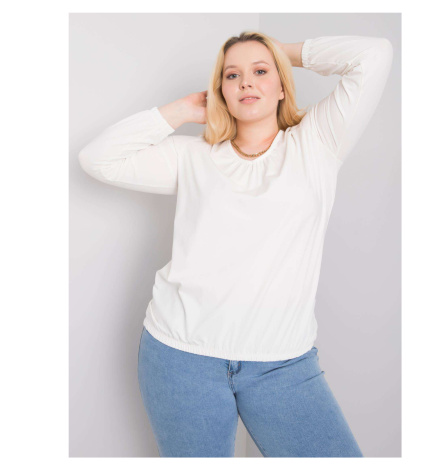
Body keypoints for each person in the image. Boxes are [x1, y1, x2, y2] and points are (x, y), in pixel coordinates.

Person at [78, 31, 393, 457]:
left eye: (260, 71)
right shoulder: (193, 156)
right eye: (232, 75)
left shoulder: (318, 142)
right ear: (220, 91)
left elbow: (374, 55)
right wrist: (181, 110)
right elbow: (97, 159)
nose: (246, 81)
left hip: (282, 365)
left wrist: (277, 51)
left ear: (281, 86)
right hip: (180, 358)